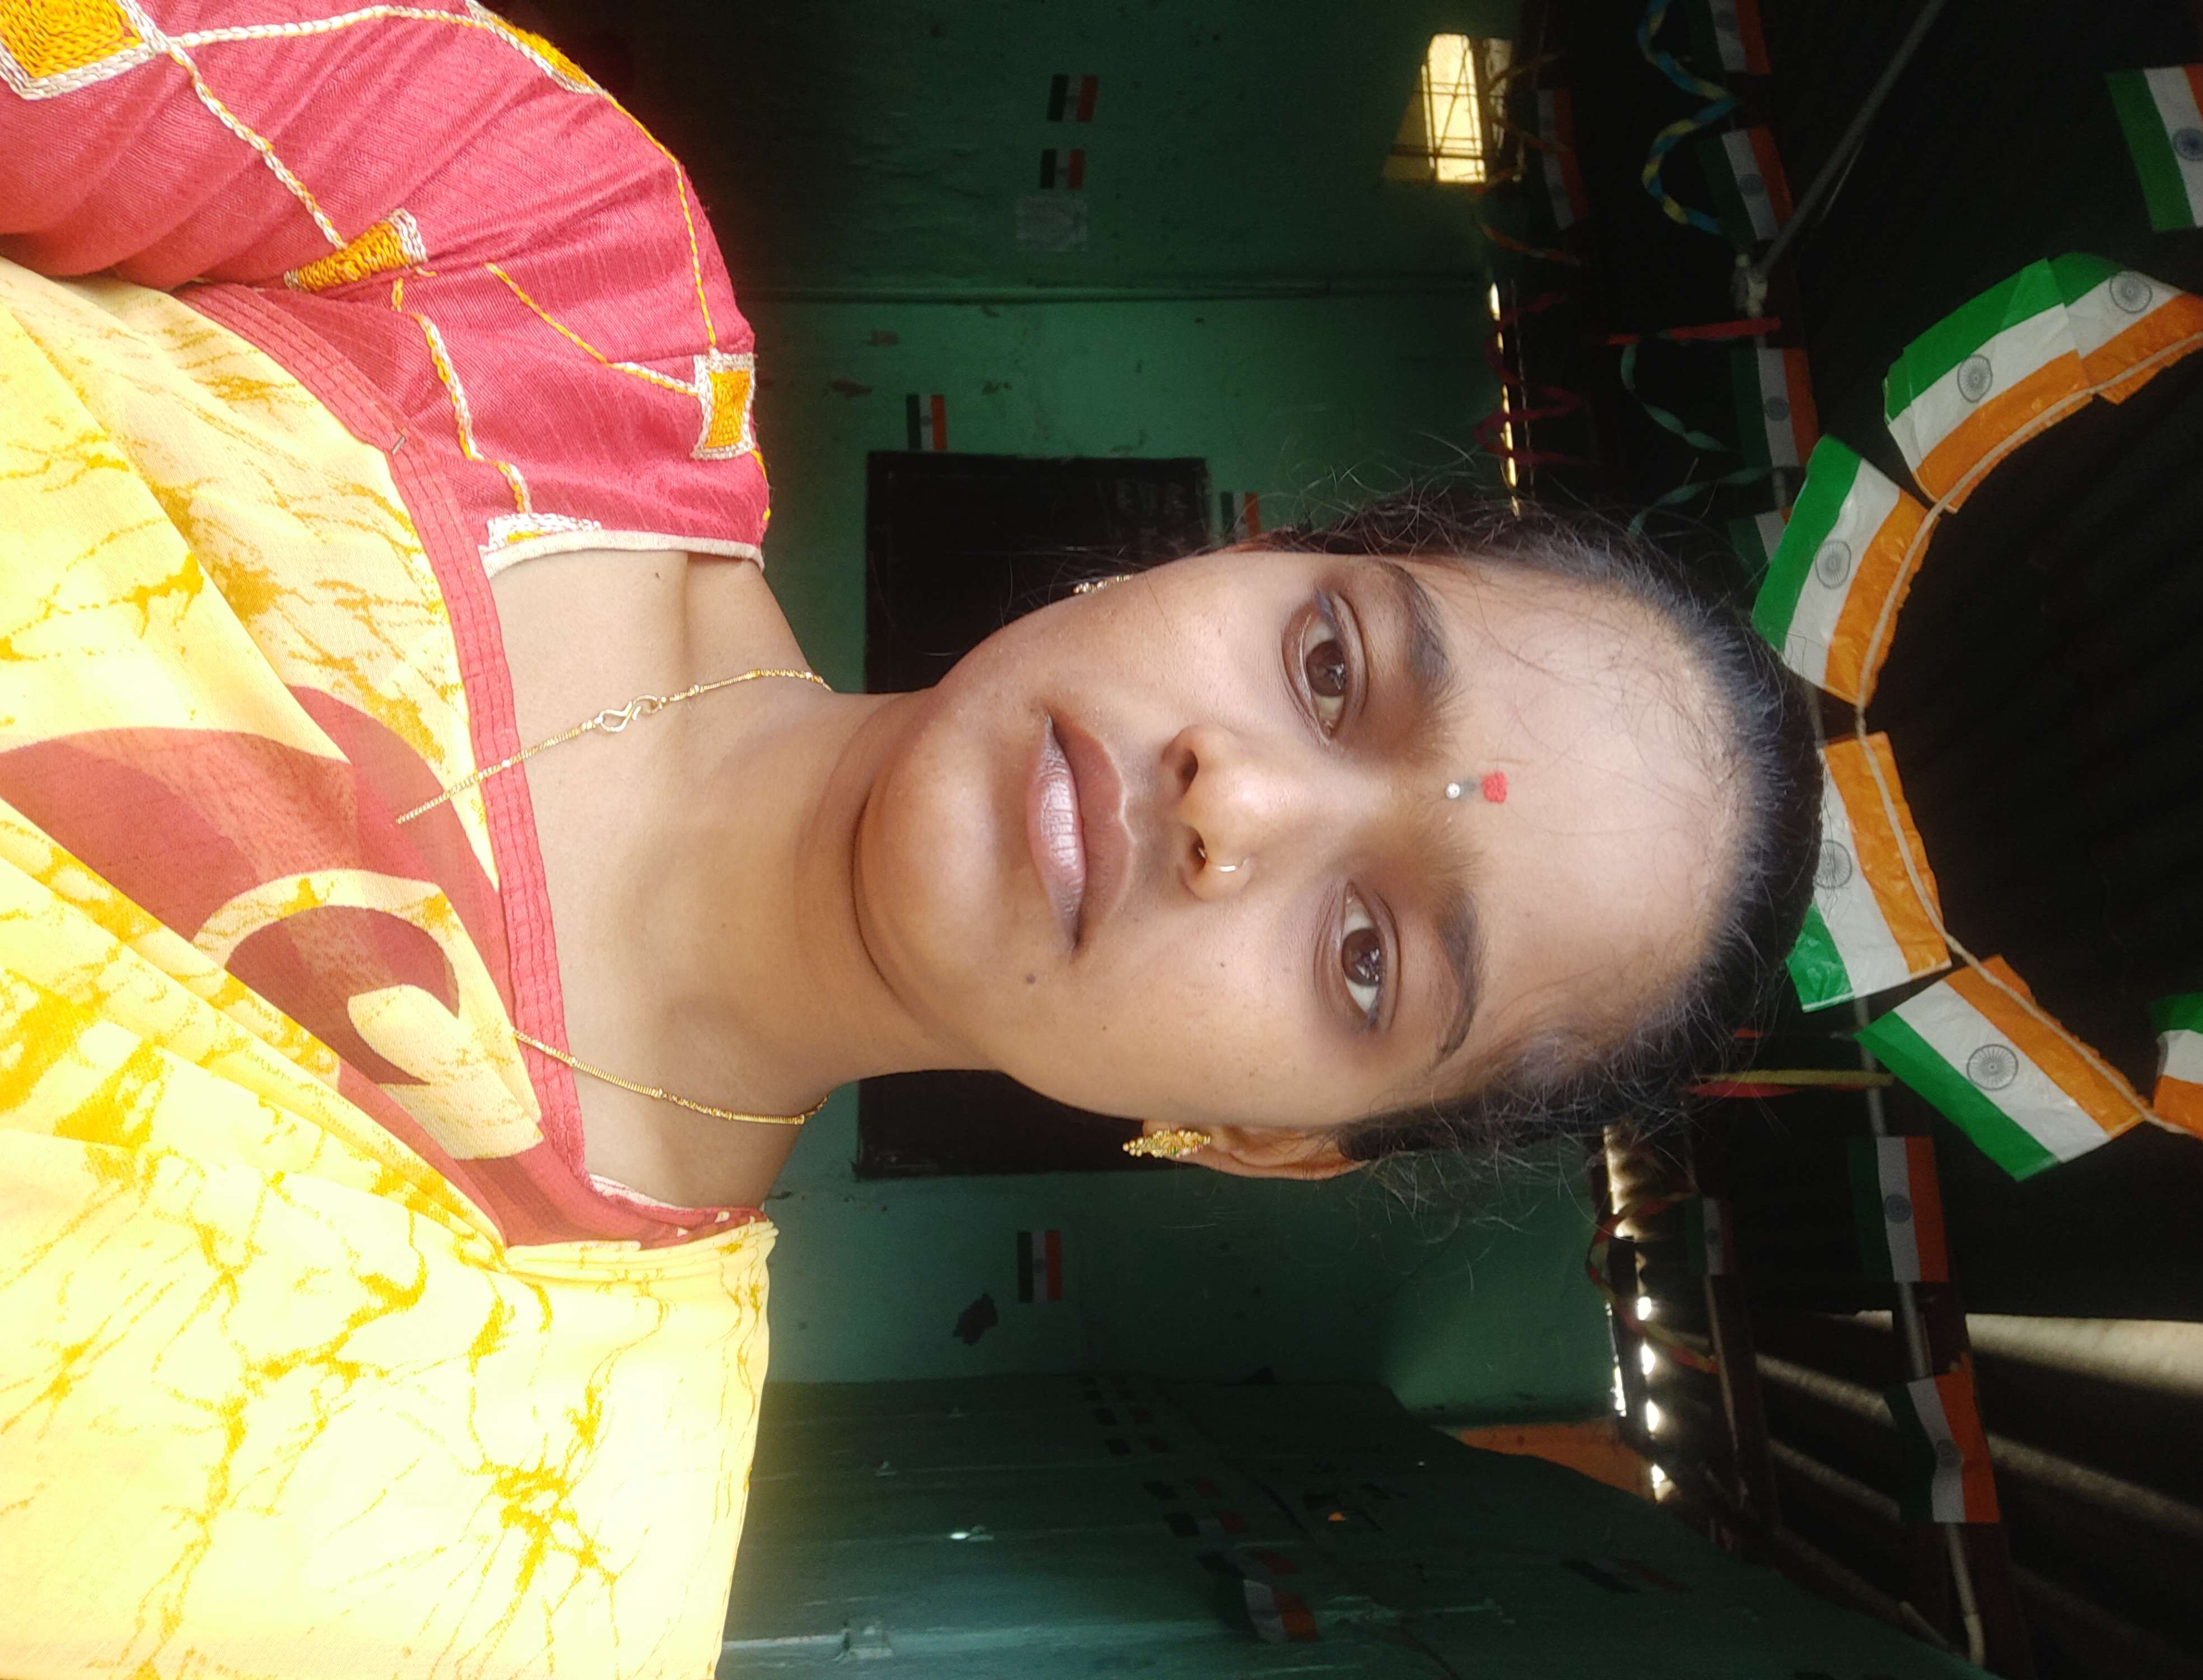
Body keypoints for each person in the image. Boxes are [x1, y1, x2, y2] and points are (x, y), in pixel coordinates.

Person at [0, 2, 1820, 1673]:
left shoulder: (524, 1557)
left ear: (1269, 1144)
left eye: (1368, 957)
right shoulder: (541, 259)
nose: (1238, 802)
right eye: (1333, 665)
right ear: (1239, 558)